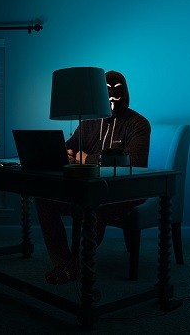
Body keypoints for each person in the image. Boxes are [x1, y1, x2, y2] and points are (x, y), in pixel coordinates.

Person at [35, 70, 151, 285]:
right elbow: (69, 147)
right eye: (107, 92)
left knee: (95, 206)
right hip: (92, 190)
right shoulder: (90, 122)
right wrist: (65, 154)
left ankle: (73, 266)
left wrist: (88, 158)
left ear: (125, 93)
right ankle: (64, 263)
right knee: (44, 200)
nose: (113, 97)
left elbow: (135, 162)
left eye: (118, 91)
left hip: (126, 194)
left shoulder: (138, 124)